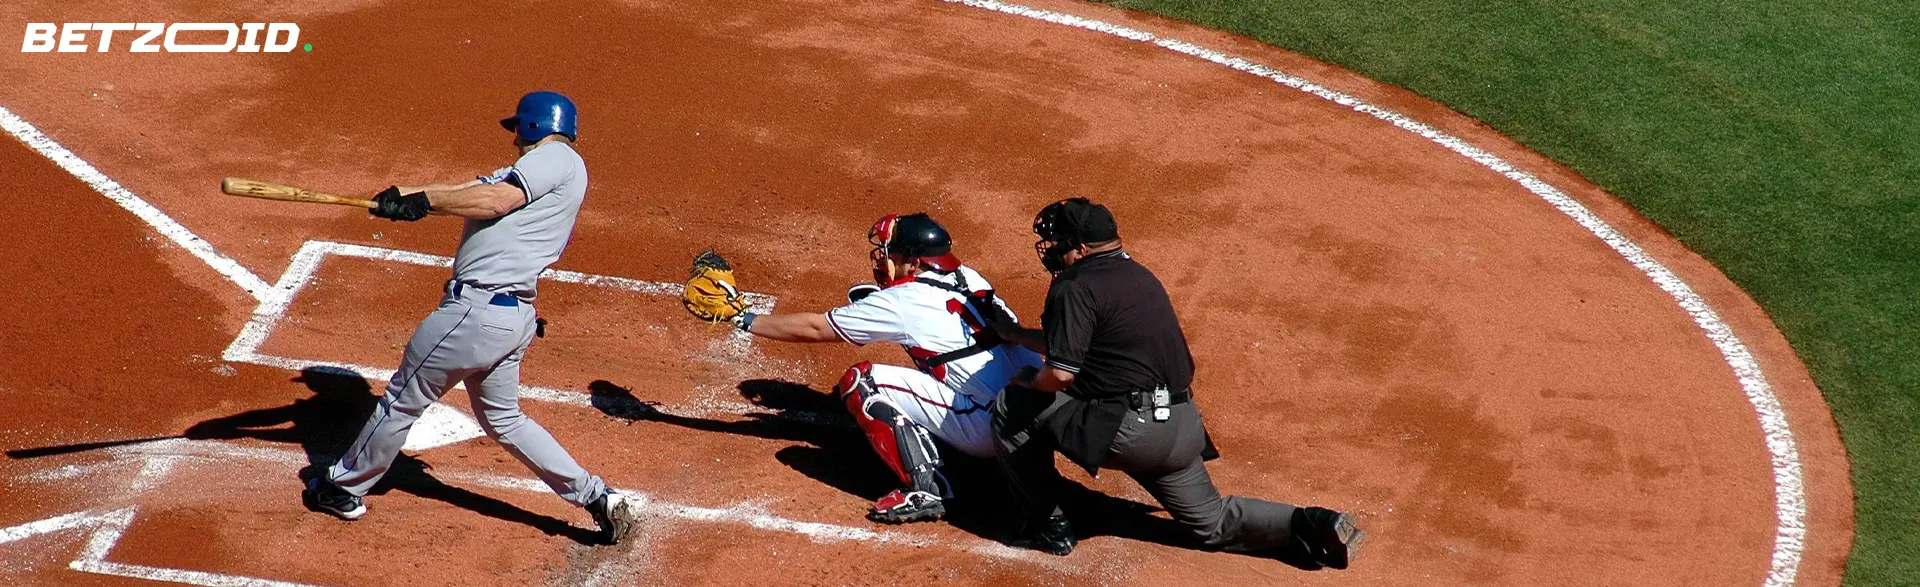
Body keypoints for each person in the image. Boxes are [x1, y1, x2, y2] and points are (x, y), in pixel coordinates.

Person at [301, 91, 641, 545]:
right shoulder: (548, 171)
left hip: (474, 314)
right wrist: (411, 197)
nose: (515, 138)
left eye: (518, 128)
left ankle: (342, 487)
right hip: (510, 317)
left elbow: (494, 202)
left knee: (404, 398)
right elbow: (475, 194)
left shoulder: (554, 158)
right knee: (505, 420)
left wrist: (423, 199)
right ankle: (598, 497)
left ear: (537, 127)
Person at [990, 198, 1365, 568]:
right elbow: (1081, 344)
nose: (1054, 251)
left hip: (1130, 434)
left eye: (1059, 243)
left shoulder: (1074, 286)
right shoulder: (1139, 276)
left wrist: (1032, 381)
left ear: (1081, 247)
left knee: (1014, 403)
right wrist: (1017, 335)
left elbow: (1060, 372)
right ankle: (1312, 522)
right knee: (1210, 522)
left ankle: (1047, 525)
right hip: (1180, 427)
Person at [720, 213, 1043, 523]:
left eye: (891, 253)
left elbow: (816, 329)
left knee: (863, 382)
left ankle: (928, 489)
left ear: (915, 262)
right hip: (1039, 412)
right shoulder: (969, 277)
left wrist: (742, 318)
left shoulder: (900, 302)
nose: (880, 259)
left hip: (990, 429)